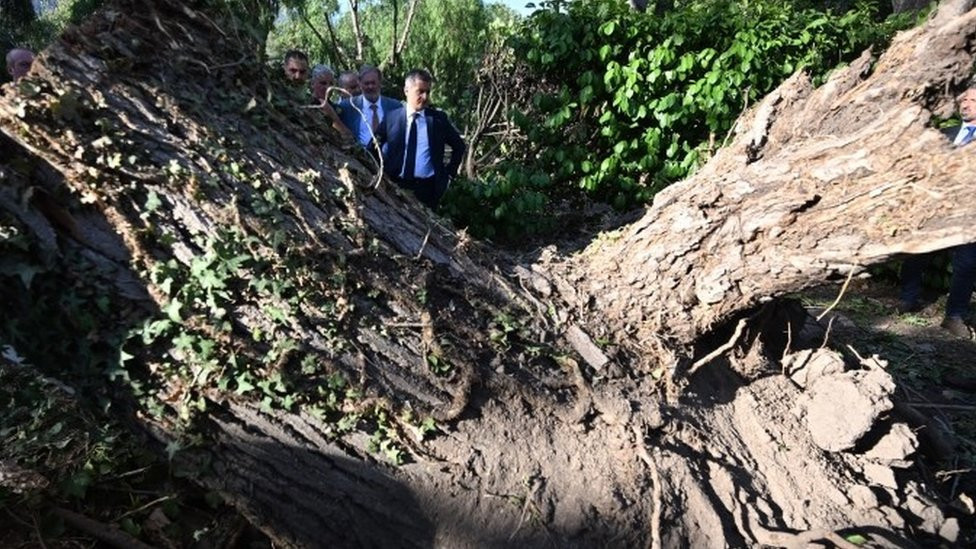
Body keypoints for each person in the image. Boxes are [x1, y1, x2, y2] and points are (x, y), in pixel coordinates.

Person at [899, 85, 976, 339]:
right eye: (964, 99)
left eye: (973, 100)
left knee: (966, 264)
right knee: (915, 251)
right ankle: (907, 300)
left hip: (969, 215)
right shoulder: (944, 134)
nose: (966, 104)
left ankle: (954, 316)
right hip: (936, 208)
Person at [376, 69, 466, 208]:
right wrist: (379, 172)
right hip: (395, 185)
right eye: (420, 91)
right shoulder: (391, 118)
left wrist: (449, 175)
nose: (425, 97)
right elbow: (374, 145)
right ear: (406, 90)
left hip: (427, 189)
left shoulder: (437, 120)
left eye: (428, 92)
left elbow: (459, 146)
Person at [338, 65, 402, 148]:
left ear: (380, 83)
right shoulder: (347, 107)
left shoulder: (395, 107)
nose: (370, 87)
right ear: (360, 84)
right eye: (366, 83)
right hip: (359, 158)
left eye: (373, 83)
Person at [310, 64, 352, 140]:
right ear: (312, 84)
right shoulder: (305, 105)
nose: (327, 87)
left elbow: (349, 137)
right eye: (323, 83)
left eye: (331, 84)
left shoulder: (339, 109)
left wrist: (333, 117)